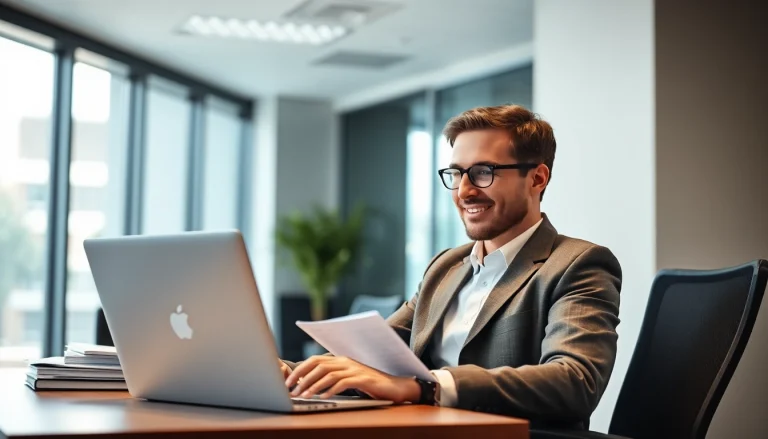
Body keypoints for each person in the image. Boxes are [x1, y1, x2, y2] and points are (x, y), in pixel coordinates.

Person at [281, 105, 621, 429]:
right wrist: (285, 372)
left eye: (483, 172)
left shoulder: (577, 264)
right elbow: (373, 355)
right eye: (457, 173)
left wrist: (426, 388)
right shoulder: (446, 267)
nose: (464, 190)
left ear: (536, 179)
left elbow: (575, 381)